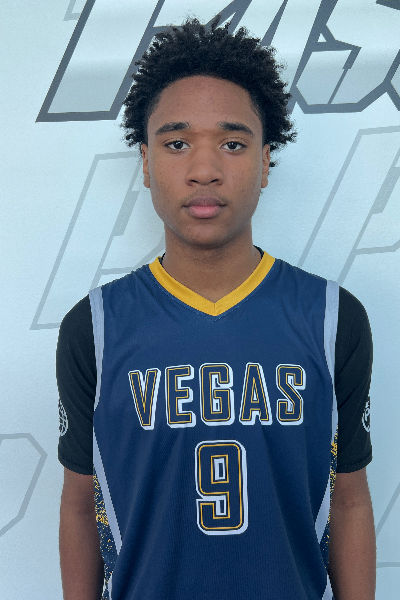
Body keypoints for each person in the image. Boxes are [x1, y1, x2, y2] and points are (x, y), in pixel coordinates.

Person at [57, 17, 375, 600]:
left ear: (266, 161)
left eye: (232, 143)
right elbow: (80, 504)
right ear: (146, 162)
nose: (204, 170)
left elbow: (349, 498)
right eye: (176, 144)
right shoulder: (95, 327)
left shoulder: (333, 318)